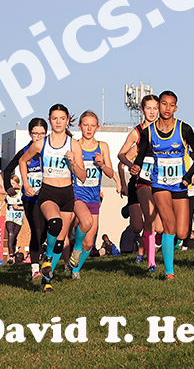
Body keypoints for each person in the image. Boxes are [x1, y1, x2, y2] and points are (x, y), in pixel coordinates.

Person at [133, 91, 194, 279]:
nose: (167, 108)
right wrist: (136, 166)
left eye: (171, 105)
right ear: (159, 106)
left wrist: (188, 175)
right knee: (168, 224)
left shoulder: (184, 129)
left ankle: (165, 250)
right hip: (159, 184)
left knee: (182, 232)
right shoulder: (149, 132)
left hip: (180, 184)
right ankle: (169, 272)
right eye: (164, 104)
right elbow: (140, 156)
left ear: (176, 108)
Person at [19, 104, 86, 292]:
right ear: (50, 120)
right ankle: (47, 260)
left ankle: (46, 280)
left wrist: (73, 162)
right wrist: (26, 183)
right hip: (48, 192)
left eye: (62, 118)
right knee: (54, 223)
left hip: (67, 194)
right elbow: (22, 161)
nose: (58, 122)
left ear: (67, 121)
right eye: (55, 118)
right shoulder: (41, 144)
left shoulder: (74, 145)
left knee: (60, 241)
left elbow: (82, 176)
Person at [118, 95, 162, 270]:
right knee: (137, 227)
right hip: (137, 182)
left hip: (156, 182)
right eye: (148, 108)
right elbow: (121, 156)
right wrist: (129, 169)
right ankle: (143, 249)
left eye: (155, 108)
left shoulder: (163, 130)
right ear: (142, 110)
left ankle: (148, 258)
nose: (152, 112)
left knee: (155, 224)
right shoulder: (136, 133)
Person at [69, 110, 114, 278]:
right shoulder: (74, 145)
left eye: (92, 126)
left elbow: (110, 173)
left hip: (94, 196)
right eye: (85, 125)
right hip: (76, 193)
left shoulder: (102, 146)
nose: (89, 129)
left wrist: (102, 164)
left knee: (90, 241)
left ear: (97, 127)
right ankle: (75, 243)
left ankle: (75, 269)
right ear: (79, 126)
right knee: (82, 222)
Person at [2, 118, 48, 280]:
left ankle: (42, 254)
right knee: (36, 230)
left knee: (45, 231)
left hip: (48, 196)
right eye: (35, 133)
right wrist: (8, 188)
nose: (38, 137)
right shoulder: (25, 151)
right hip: (30, 198)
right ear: (30, 133)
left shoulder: (49, 149)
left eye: (42, 134)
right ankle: (35, 268)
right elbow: (7, 169)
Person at [4, 176, 25, 264]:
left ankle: (14, 254)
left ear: (17, 184)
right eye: (10, 184)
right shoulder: (7, 193)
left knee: (14, 237)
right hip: (9, 217)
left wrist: (19, 208)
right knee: (10, 234)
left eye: (13, 183)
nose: (12, 186)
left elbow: (26, 207)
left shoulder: (21, 194)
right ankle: (11, 257)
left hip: (18, 218)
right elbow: (5, 201)